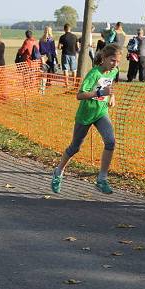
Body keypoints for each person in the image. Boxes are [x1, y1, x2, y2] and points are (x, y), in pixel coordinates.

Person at [51, 44, 122, 194]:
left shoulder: (113, 71)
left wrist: (112, 96)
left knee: (110, 142)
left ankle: (102, 179)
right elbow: (80, 95)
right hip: (86, 115)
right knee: (74, 148)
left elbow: (110, 84)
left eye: (117, 61)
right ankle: (58, 172)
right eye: (112, 60)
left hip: (101, 112)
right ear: (103, 58)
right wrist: (101, 92)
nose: (115, 64)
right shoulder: (94, 73)